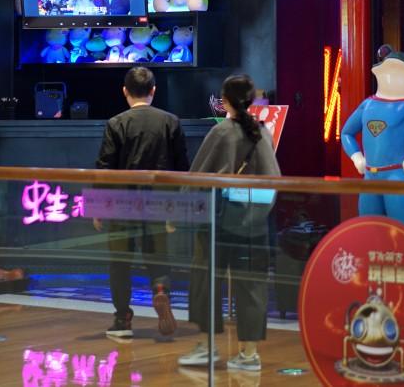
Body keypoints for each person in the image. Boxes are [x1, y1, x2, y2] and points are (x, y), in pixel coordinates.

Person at [179, 74, 280, 373]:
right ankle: (249, 354)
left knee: (206, 282)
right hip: (254, 224)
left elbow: (196, 176)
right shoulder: (263, 133)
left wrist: (179, 211)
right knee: (252, 287)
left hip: (218, 221)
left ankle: (206, 347)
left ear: (224, 101)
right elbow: (274, 179)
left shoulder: (221, 132)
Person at [95, 67, 189, 339]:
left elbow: (105, 168)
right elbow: (182, 167)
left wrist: (99, 206)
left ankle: (122, 319)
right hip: (159, 203)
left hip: (122, 205)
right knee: (158, 258)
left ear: (125, 91)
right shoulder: (170, 122)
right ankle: (160, 290)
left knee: (120, 263)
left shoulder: (116, 123)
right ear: (153, 90)